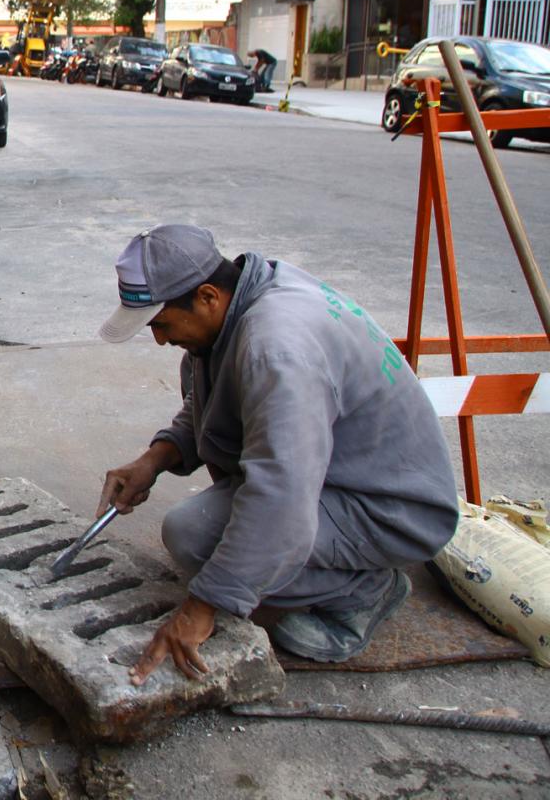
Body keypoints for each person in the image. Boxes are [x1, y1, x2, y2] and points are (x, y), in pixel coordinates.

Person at [95, 224, 458, 684]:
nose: (160, 340)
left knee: (198, 541)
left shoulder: (276, 347)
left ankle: (364, 590)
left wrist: (203, 607)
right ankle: (336, 572)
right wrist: (156, 458)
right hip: (337, 475)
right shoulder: (245, 297)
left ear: (207, 295)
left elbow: (281, 496)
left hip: (391, 508)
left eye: (162, 325)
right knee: (196, 532)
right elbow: (216, 398)